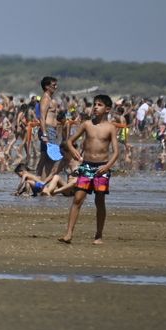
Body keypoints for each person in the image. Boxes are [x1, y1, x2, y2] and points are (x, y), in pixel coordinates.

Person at [60, 94, 117, 245]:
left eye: (99, 105)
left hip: (102, 168)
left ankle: (98, 235)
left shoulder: (110, 127)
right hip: (86, 165)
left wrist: (107, 166)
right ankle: (68, 234)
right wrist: (73, 151)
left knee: (100, 200)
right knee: (78, 198)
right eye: (94, 104)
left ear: (107, 109)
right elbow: (70, 141)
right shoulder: (87, 124)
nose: (95, 107)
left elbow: (116, 152)